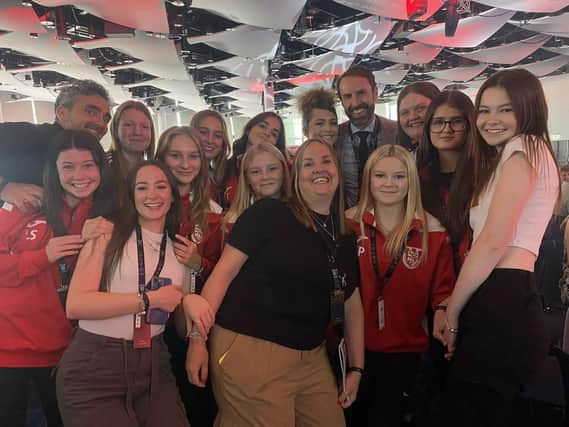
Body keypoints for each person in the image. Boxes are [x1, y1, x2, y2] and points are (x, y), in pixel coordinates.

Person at [184, 139, 364, 426]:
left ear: (338, 171)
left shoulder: (344, 235)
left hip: (311, 355)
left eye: (326, 161)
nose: (319, 169)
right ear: (294, 174)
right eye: (308, 163)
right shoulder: (269, 214)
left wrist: (356, 367)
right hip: (251, 348)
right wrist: (197, 340)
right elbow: (222, 275)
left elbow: (351, 301)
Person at [442, 69, 560, 426]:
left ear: (528, 109)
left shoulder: (524, 147)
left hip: (501, 297)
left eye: (505, 110)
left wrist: (451, 314)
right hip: (506, 297)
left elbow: (493, 242)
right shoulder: (524, 153)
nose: (491, 120)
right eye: (485, 110)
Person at [56, 161, 189, 427]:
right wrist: (147, 300)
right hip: (96, 366)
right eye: (142, 187)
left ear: (173, 195)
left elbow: (181, 322)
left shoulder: (180, 251)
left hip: (153, 364)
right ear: (131, 196)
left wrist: (192, 304)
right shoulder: (107, 233)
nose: (152, 195)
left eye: (161, 186)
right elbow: (76, 304)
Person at [0, 129, 114, 427]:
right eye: (68, 166)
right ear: (55, 170)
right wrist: (41, 256)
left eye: (88, 165)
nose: (80, 175)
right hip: (7, 351)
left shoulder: (107, 216)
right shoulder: (28, 202)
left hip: (67, 350)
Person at [345, 144, 455, 427]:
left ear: (411, 181)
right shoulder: (348, 224)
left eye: (399, 176)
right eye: (380, 176)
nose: (389, 184)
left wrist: (442, 310)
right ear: (368, 180)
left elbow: (442, 289)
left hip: (405, 354)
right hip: (353, 350)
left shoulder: (433, 232)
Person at [155, 126, 223, 426]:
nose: (185, 164)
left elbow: (222, 273)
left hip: (192, 326)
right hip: (149, 324)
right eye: (176, 155)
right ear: (161, 157)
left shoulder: (212, 211)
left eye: (193, 156)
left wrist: (198, 263)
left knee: (196, 403)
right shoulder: (145, 203)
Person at [0, 79, 112, 213]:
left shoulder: (93, 157)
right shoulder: (30, 136)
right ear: (62, 113)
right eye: (91, 112)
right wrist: (4, 188)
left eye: (105, 118)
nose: (101, 124)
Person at [417, 90, 475, 269]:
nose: (446, 129)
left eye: (456, 121)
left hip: (477, 274)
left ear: (470, 125)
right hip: (433, 274)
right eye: (438, 122)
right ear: (428, 127)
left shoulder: (485, 176)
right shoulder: (418, 178)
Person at [335, 65, 398, 207]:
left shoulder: (398, 132)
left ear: (375, 93)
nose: (355, 102)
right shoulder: (335, 138)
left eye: (361, 93)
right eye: (348, 96)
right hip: (348, 220)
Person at [223, 142, 290, 234]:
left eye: (272, 169)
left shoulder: (300, 214)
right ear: (247, 179)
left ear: (284, 171)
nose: (265, 177)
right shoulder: (233, 221)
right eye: (255, 172)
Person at [107, 100, 156, 202]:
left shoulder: (155, 169)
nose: (137, 132)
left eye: (144, 127)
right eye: (129, 125)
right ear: (115, 130)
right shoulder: (103, 167)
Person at [190, 110, 233, 211]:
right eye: (203, 132)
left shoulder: (218, 179)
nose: (210, 140)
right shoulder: (182, 176)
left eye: (217, 135)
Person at [396, 82, 440, 154]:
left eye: (420, 108)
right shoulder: (406, 158)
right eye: (405, 112)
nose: (412, 117)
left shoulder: (455, 155)